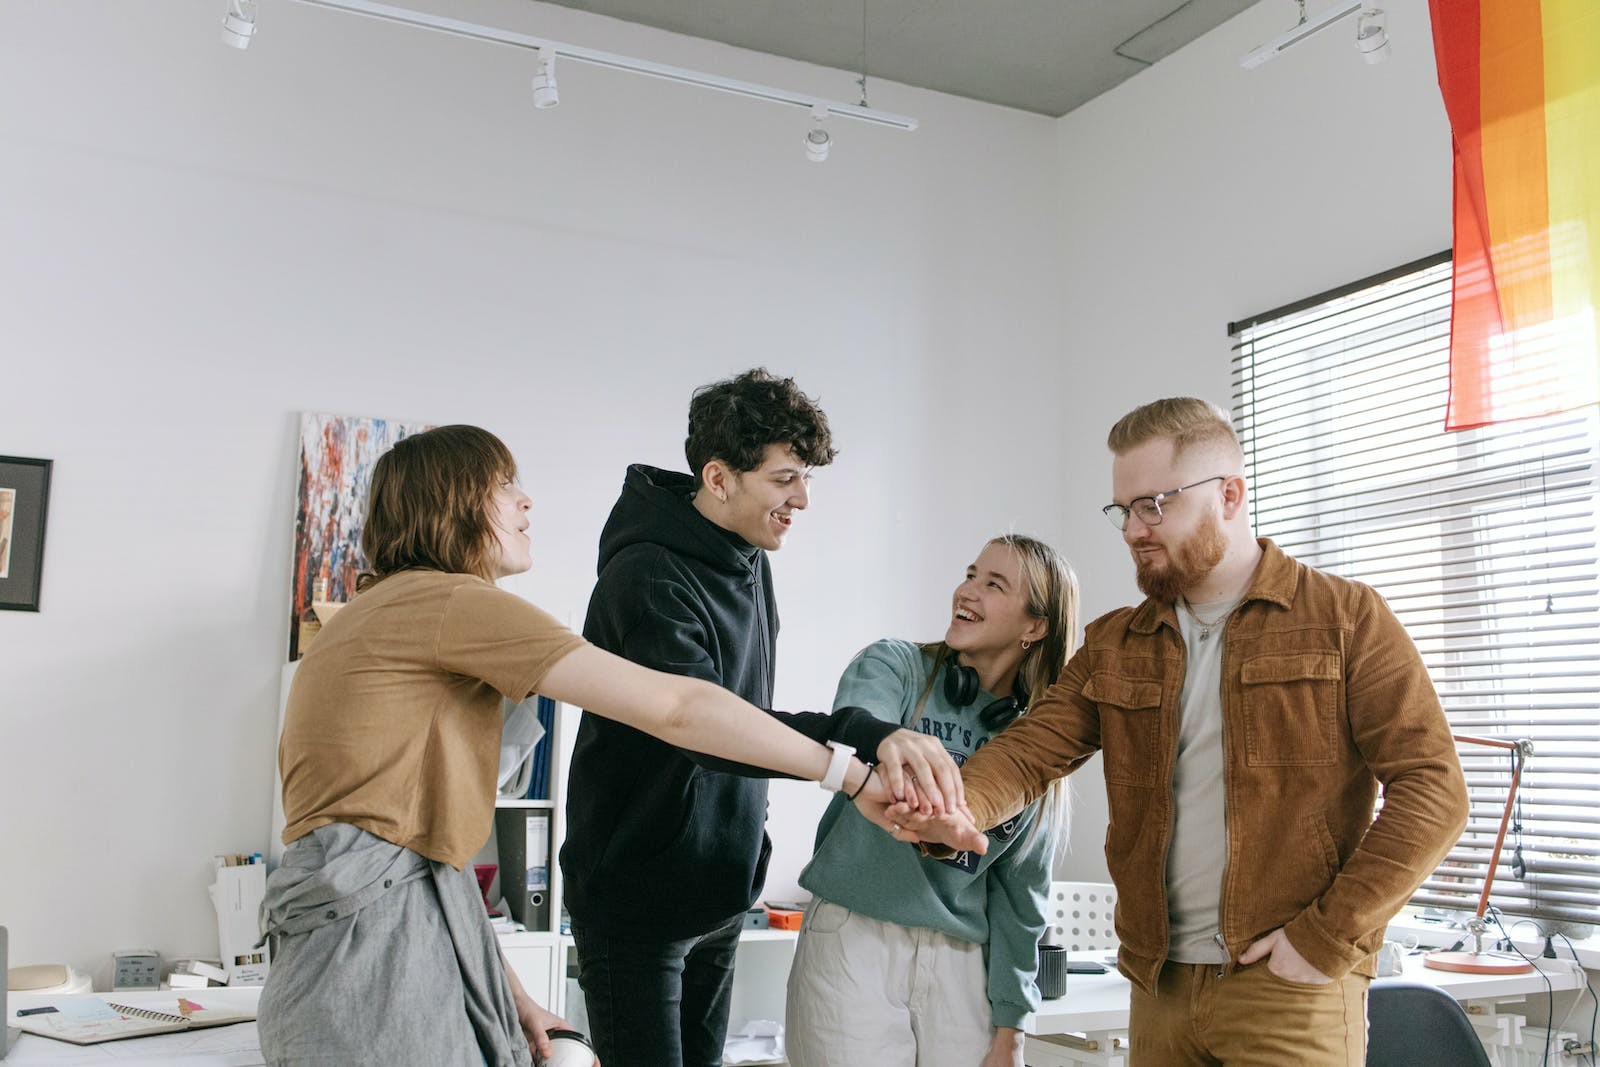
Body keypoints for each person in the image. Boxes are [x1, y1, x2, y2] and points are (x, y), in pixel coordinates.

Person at [258, 424, 937, 1067]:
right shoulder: (447, 602)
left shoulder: (385, 612)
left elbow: (421, 849)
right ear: (454, 503)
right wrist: (847, 771)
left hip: (357, 929)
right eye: (504, 485)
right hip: (365, 940)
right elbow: (677, 707)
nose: (526, 499)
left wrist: (512, 998)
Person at [886, 397, 1469, 1066]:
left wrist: (1325, 936)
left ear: (1229, 494)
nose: (1134, 528)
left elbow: (1434, 792)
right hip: (1157, 987)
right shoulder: (1116, 642)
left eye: (1154, 505)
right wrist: (951, 807)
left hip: (1289, 986)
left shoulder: (1346, 618)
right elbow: (1026, 754)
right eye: (1123, 510)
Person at [560, 368, 965, 1067]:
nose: (802, 498)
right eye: (784, 479)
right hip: (637, 906)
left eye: (804, 477)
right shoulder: (649, 577)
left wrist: (868, 733)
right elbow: (708, 728)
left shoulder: (748, 556)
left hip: (719, 892)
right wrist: (854, 751)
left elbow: (749, 717)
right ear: (719, 478)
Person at [784, 534, 1079, 1067]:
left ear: (1035, 627)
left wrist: (1013, 1030)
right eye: (970, 574)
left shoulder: (1035, 743)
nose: (967, 590)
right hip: (856, 937)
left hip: (963, 961)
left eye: (994, 584)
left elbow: (1021, 897)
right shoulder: (895, 665)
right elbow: (856, 730)